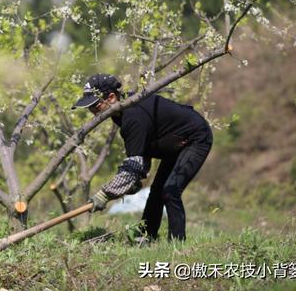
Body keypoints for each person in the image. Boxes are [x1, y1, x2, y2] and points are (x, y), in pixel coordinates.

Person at [73, 74, 213, 242]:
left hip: (194, 138)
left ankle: (177, 246)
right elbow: (140, 157)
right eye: (90, 109)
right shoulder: (121, 113)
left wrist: (105, 194)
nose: (93, 113)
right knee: (156, 192)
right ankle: (146, 237)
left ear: (111, 97)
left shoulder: (133, 116)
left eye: (95, 107)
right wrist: (130, 184)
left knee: (170, 191)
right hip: (171, 143)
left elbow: (133, 167)